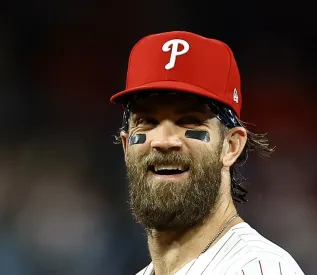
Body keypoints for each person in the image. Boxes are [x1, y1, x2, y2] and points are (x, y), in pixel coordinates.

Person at [110, 31, 305, 275]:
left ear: (231, 146)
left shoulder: (259, 268)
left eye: (190, 122)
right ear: (127, 146)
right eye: (147, 122)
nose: (165, 141)